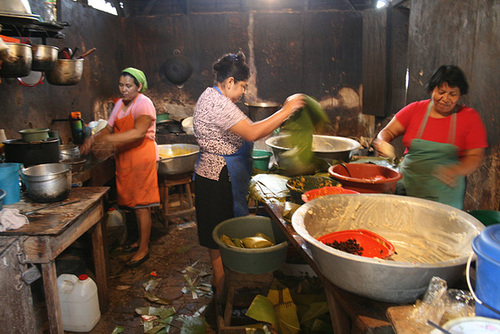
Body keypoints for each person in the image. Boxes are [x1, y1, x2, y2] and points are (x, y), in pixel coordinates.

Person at [193, 51, 305, 299]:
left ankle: (219, 278)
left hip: (212, 175)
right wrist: (286, 110)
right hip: (218, 176)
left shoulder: (211, 96)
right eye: (242, 86)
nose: (243, 92)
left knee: (216, 230)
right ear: (230, 81)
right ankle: (222, 286)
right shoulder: (218, 103)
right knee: (218, 232)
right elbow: (253, 133)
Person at [374, 65, 487, 209]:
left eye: (453, 94)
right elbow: (387, 132)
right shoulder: (415, 110)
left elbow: (475, 156)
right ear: (432, 89)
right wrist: (383, 142)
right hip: (409, 185)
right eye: (441, 92)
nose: (445, 98)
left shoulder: (469, 117)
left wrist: (457, 170)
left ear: (460, 95)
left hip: (444, 192)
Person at [80, 67, 160, 267]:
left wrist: (109, 140)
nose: (124, 89)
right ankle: (137, 240)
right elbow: (107, 128)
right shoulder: (118, 105)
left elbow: (138, 133)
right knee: (131, 202)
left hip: (141, 156)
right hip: (124, 157)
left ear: (139, 86)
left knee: (142, 206)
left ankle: (144, 249)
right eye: (121, 85)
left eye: (128, 86)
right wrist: (92, 139)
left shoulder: (144, 104)